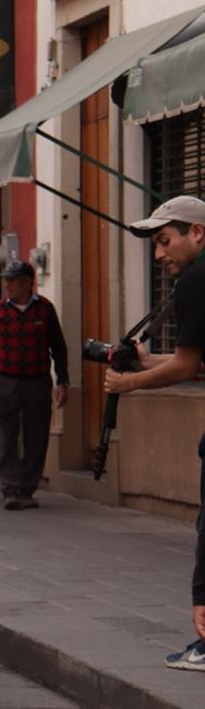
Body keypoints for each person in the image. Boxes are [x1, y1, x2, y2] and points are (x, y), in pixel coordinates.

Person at [101, 196, 205, 669]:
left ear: (197, 233)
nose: (160, 254)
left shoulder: (195, 281)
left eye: (165, 241)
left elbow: (186, 366)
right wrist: (148, 361)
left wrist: (129, 382)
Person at [0, 260, 68, 511]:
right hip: (5, 380)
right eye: (6, 280)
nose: (8, 285)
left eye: (13, 280)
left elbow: (58, 347)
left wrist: (63, 380)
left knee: (37, 434)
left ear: (28, 282)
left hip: (37, 380)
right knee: (6, 434)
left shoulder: (45, 309)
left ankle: (28, 486)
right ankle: (11, 487)